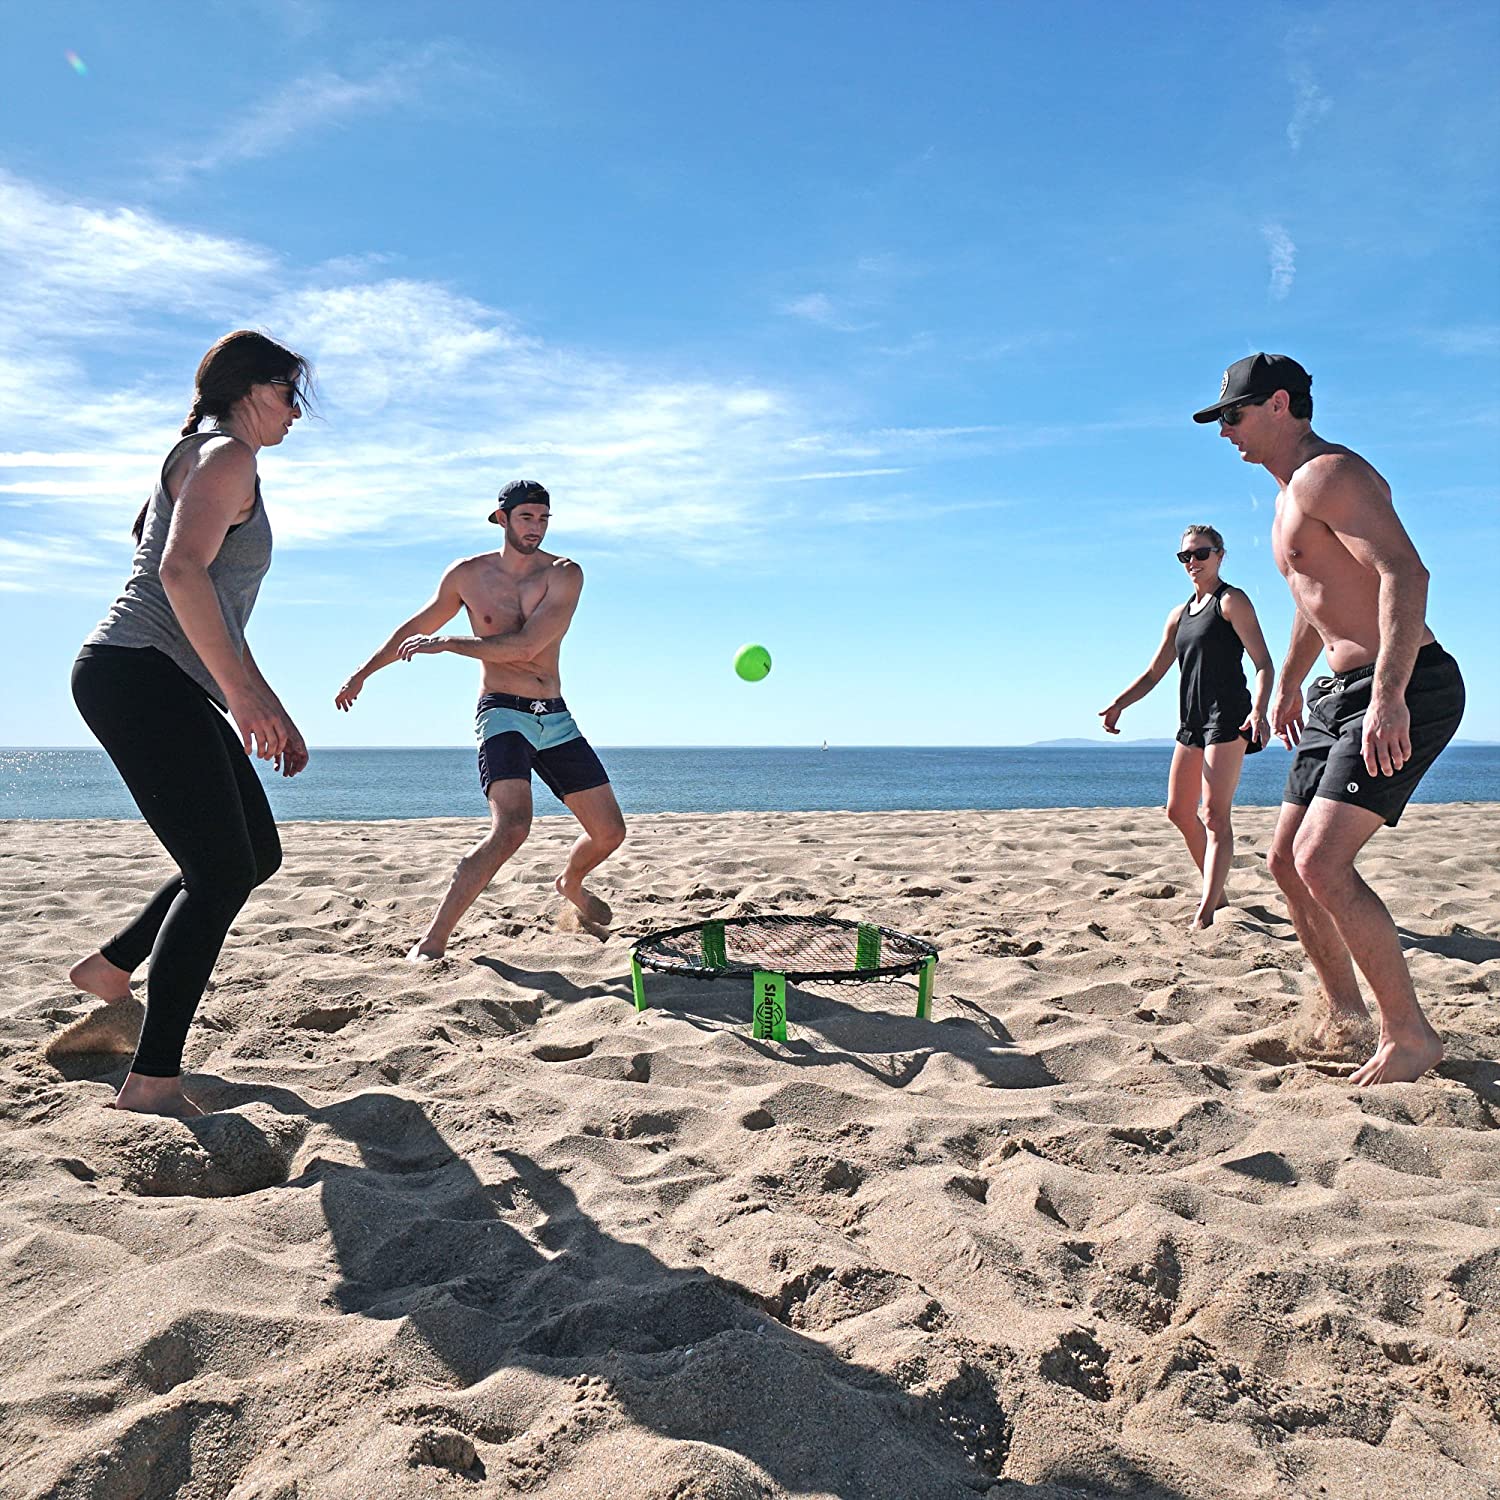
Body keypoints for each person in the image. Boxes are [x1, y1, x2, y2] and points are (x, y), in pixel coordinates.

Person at [1193, 352, 1465, 1084]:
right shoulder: (1290, 495)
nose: (1225, 431)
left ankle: (1410, 1035)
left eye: (1233, 414)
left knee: (1321, 860)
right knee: (1285, 861)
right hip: (1338, 692)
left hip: (1404, 684)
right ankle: (1343, 1013)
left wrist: (1389, 694)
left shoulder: (1329, 473)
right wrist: (1286, 684)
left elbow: (1406, 572)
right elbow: (1317, 598)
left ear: (1279, 404)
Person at [65, 330, 312, 1118]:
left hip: (152, 676)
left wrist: (263, 700)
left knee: (254, 854)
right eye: (289, 393)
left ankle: (112, 967)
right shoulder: (225, 455)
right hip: (138, 674)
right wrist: (240, 696)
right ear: (249, 387)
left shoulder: (208, 456)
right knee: (220, 874)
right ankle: (152, 1083)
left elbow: (216, 609)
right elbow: (177, 572)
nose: (296, 413)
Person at [335, 480, 625, 960]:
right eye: (526, 517)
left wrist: (450, 643)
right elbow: (416, 627)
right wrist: (362, 674)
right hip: (502, 711)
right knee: (512, 826)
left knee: (610, 832)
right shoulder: (467, 575)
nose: (536, 528)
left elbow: (527, 647)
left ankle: (570, 882)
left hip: (552, 714)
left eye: (543, 519)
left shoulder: (563, 574)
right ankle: (432, 941)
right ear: (502, 518)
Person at [1099, 526, 1273, 928]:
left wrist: (1260, 710)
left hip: (1228, 717)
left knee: (1214, 815)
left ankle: (1208, 910)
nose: (1193, 562)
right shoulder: (1178, 615)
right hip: (1192, 720)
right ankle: (1219, 894)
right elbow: (1153, 672)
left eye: (1201, 553)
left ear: (1220, 555)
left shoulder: (1231, 601)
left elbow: (1263, 663)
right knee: (1178, 811)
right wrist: (1119, 704)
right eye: (1185, 556)